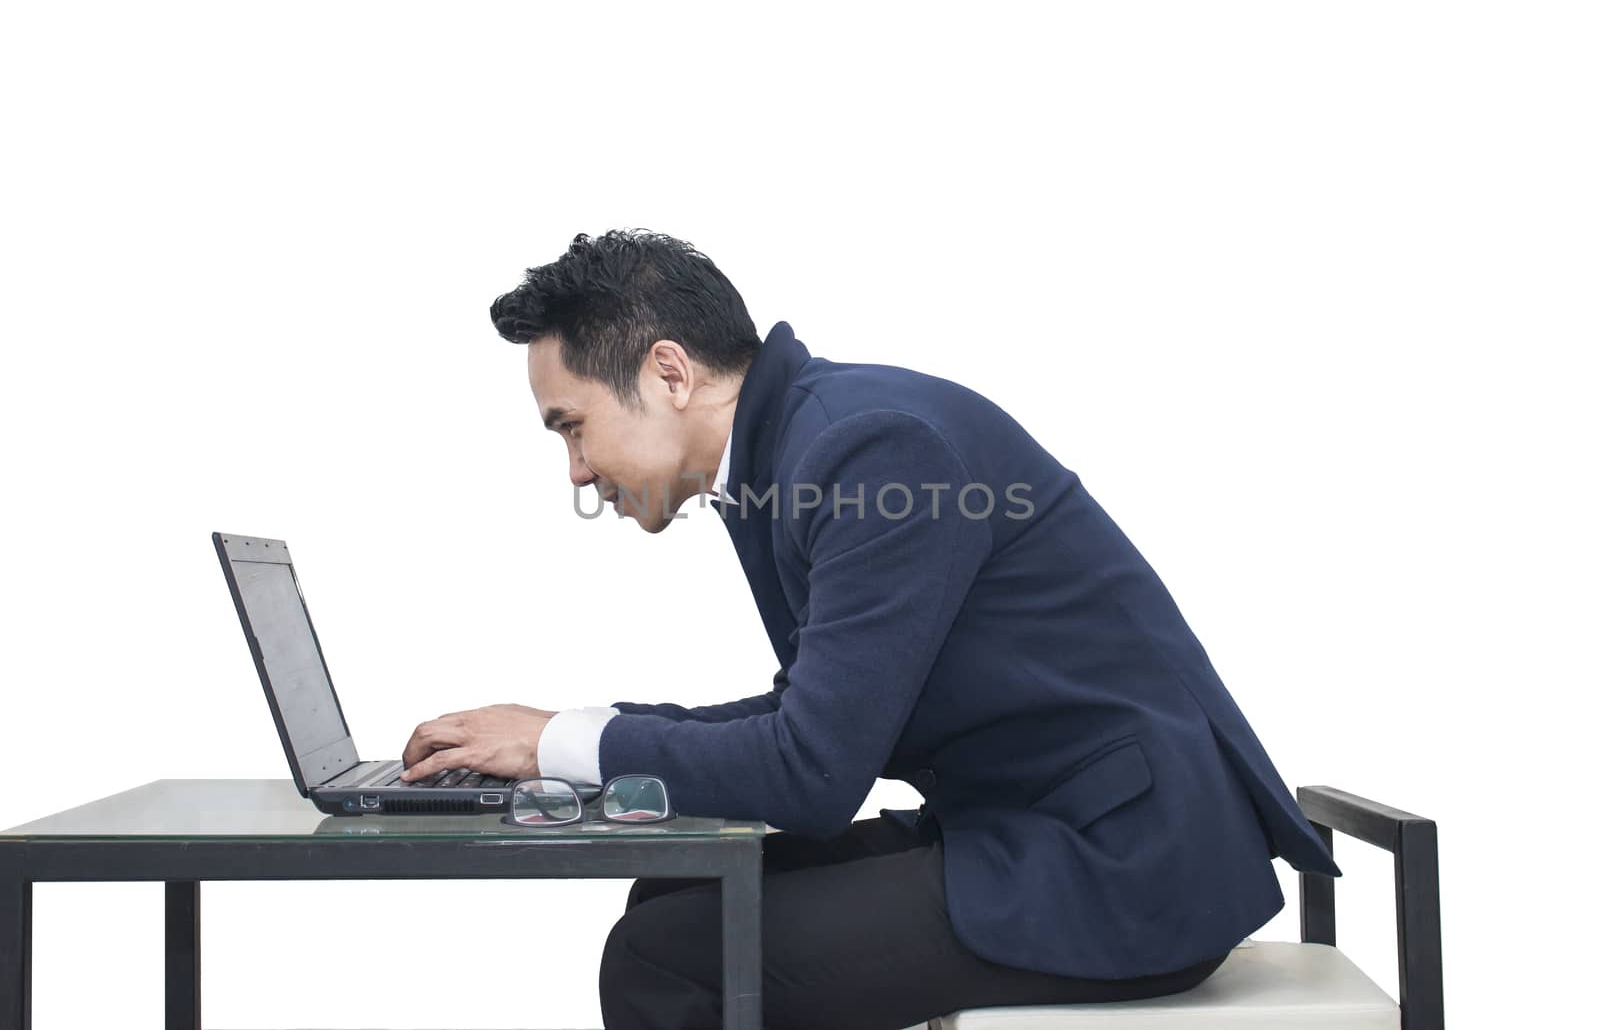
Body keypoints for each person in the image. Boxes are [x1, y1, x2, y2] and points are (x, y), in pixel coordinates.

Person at [398, 228, 1341, 1030]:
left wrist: (560, 742)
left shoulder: (870, 447)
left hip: (1124, 862)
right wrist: (556, 733)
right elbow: (808, 710)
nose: (575, 469)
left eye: (572, 426)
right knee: (678, 895)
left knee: (663, 956)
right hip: (1041, 823)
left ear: (670, 371)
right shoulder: (796, 448)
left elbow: (813, 770)